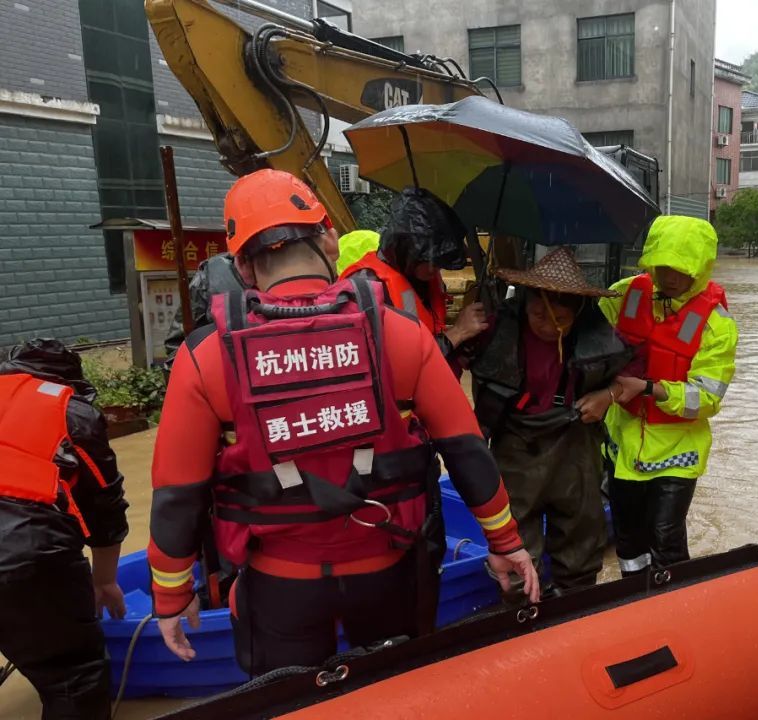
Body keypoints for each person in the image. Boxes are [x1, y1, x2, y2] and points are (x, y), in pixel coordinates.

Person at [149, 169, 537, 676]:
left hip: (280, 587)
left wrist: (171, 593)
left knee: (292, 706)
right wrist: (505, 543)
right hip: (387, 575)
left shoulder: (205, 357)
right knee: (394, 697)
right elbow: (466, 450)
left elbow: (178, 492)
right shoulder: (402, 334)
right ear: (330, 240)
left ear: (241, 265)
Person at [470, 247, 632, 595]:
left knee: (581, 539)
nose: (548, 326)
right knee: (513, 541)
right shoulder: (497, 329)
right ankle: (522, 607)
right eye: (538, 315)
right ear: (525, 305)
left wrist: (608, 395)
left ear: (578, 312)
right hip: (515, 446)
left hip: (575, 444)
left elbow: (635, 375)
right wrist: (457, 332)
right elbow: (442, 366)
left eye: (560, 318)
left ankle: (575, 605)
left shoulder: (600, 335)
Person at [598, 216, 738, 576]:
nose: (669, 277)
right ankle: (634, 593)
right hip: (623, 442)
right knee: (628, 539)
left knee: (666, 537)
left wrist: (648, 388)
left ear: (699, 269)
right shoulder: (626, 293)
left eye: (680, 269)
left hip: (678, 450)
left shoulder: (716, 325)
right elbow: (585, 324)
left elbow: (707, 398)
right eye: (661, 266)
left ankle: (676, 599)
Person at [0, 339, 129, 720]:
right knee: (73, 676)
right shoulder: (71, 412)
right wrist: (104, 580)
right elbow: (104, 506)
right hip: (25, 554)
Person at [340, 187, 488, 358]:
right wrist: (458, 333)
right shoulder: (365, 288)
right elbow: (390, 363)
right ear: (407, 251)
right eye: (430, 261)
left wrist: (461, 348)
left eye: (439, 262)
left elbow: (430, 334)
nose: (436, 269)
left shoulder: (423, 277)